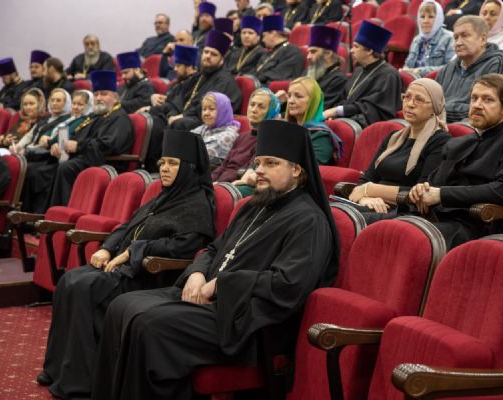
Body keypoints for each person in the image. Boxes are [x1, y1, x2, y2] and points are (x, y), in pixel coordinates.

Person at [91, 119, 339, 400]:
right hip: (216, 303)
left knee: (149, 326)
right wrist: (197, 274)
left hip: (248, 323)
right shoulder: (254, 206)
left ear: (297, 170)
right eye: (258, 162)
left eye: (271, 163)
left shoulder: (309, 220)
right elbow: (213, 248)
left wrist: (222, 283)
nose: (259, 170)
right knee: (121, 305)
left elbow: (289, 284)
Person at [36, 131, 216, 400]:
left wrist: (133, 252)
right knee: (69, 281)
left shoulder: (198, 204)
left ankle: (82, 382)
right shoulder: (163, 196)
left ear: (189, 168)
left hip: (150, 275)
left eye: (173, 163)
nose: (165, 169)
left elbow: (180, 248)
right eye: (163, 163)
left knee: (86, 287)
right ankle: (58, 370)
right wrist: (108, 247)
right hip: (123, 266)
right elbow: (128, 225)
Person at [409, 73, 503, 249]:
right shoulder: (457, 143)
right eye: (474, 98)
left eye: (487, 100)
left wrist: (441, 195)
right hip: (438, 219)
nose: (477, 105)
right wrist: (421, 189)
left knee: (409, 239)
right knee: (385, 226)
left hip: (478, 225)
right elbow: (435, 183)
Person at [347, 79, 451, 224]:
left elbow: (421, 193)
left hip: (404, 212)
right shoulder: (393, 138)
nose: (410, 104)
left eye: (419, 99)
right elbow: (365, 180)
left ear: (435, 107)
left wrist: (369, 190)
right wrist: (365, 198)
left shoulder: (441, 141)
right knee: (330, 212)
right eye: (407, 97)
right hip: (375, 205)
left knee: (345, 220)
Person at [47, 70, 134, 208]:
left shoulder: (120, 118)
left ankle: (66, 214)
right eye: (96, 94)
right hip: (87, 158)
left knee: (67, 168)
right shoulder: (95, 116)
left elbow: (109, 145)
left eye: (104, 94)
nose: (99, 98)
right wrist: (59, 146)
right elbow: (75, 137)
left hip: (107, 163)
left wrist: (78, 146)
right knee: (49, 165)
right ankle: (51, 213)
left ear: (116, 97)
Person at [323, 21, 402, 128]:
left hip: (368, 126)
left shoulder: (389, 75)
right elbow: (344, 98)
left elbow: (374, 110)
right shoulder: (359, 71)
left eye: (356, 47)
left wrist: (338, 112)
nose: (351, 50)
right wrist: (335, 114)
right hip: (347, 120)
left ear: (369, 51)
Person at [165, 30, 242, 131]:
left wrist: (183, 115)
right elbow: (180, 98)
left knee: (179, 124)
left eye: (213, 54)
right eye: (206, 52)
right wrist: (172, 114)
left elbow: (212, 108)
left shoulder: (225, 80)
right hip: (185, 117)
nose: (208, 56)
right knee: (160, 118)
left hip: (204, 121)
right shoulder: (198, 76)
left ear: (222, 60)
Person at [436, 16, 503, 123]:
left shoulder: (496, 64)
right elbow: (433, 104)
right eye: (456, 37)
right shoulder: (447, 68)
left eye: (465, 36)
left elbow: (486, 109)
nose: (458, 42)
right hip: (441, 125)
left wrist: (442, 111)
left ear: (482, 39)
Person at [142, 45, 200, 171]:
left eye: (178, 66)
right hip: (169, 115)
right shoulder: (177, 82)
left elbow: (176, 105)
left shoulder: (193, 82)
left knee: (155, 125)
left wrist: (151, 110)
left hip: (180, 118)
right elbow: (169, 102)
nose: (174, 69)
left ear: (190, 67)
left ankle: (154, 168)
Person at [16, 88, 73, 213]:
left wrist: (27, 150)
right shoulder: (45, 119)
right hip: (34, 155)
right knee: (17, 166)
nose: (54, 103)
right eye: (52, 100)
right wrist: (18, 147)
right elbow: (29, 136)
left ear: (66, 103)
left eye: (59, 100)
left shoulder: (67, 121)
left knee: (30, 171)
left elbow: (53, 146)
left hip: (48, 160)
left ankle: (29, 213)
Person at [213, 88, 281, 182]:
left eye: (261, 107)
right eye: (252, 105)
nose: (254, 110)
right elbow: (223, 167)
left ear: (271, 112)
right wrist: (209, 182)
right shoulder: (241, 137)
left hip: (236, 185)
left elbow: (245, 173)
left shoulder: (267, 141)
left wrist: (219, 184)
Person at [401, 0, 456, 77]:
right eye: (422, 17)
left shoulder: (449, 38)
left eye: (431, 17)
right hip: (413, 80)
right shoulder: (416, 39)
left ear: (439, 18)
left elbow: (450, 68)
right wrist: (404, 70)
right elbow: (407, 65)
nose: (425, 21)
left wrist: (419, 71)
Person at [191, 92, 240, 169]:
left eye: (211, 109)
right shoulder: (205, 128)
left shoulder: (227, 136)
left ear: (223, 111)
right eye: (204, 109)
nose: (206, 113)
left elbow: (199, 158)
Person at [305, 25, 347, 109]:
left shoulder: (338, 80)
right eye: (308, 52)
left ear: (328, 54)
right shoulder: (310, 73)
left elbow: (321, 108)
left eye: (313, 52)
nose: (308, 57)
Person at [256, 15, 306, 84]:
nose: (263, 40)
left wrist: (257, 79)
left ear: (272, 33)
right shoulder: (269, 52)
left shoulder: (292, 51)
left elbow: (279, 74)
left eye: (264, 36)